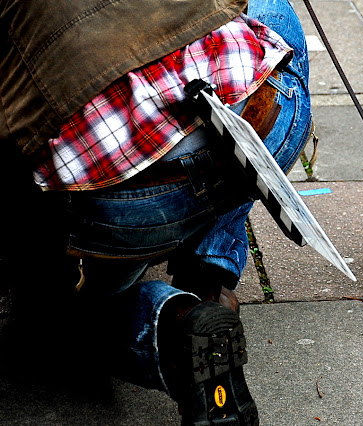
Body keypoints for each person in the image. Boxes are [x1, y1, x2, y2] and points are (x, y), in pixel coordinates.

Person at [0, 0, 312, 424]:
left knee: (57, 310)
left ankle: (175, 331)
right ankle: (211, 276)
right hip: (265, 124)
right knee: (269, 10)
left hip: (125, 204)